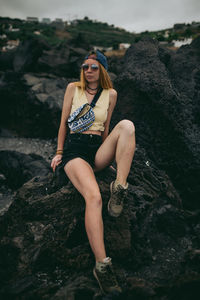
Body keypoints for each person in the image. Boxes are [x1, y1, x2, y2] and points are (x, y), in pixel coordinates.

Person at [51, 50, 136, 294]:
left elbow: (107, 129)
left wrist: (109, 158)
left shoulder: (111, 94)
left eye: (94, 67)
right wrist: (58, 151)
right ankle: (102, 266)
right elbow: (62, 122)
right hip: (75, 152)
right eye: (85, 66)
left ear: (103, 70)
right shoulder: (72, 88)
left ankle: (119, 187)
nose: (88, 70)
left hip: (96, 150)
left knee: (127, 126)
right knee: (94, 197)